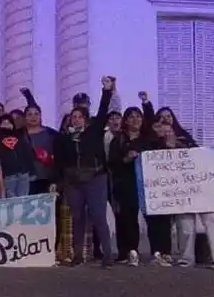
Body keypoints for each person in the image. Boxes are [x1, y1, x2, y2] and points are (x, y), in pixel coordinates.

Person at [54, 76, 114, 267]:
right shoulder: (65, 138)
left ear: (86, 119)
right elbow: (60, 161)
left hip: (95, 177)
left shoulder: (94, 130)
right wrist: (60, 181)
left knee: (98, 215)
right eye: (74, 117)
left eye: (80, 116)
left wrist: (107, 91)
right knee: (77, 217)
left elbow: (104, 110)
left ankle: (108, 254)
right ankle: (77, 255)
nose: (76, 119)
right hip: (73, 180)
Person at [153, 122, 214, 270]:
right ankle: (186, 258)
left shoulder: (187, 142)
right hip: (179, 191)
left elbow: (203, 157)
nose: (166, 131)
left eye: (169, 128)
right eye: (162, 127)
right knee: (185, 223)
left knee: (212, 218)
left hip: (201, 188)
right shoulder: (155, 148)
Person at [107, 91, 155, 266]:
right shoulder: (118, 140)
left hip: (148, 184)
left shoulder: (148, 139)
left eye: (138, 117)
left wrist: (145, 102)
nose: (136, 120)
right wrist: (125, 159)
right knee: (125, 218)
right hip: (125, 183)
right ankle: (125, 252)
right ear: (125, 121)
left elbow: (152, 119)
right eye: (131, 117)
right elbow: (111, 161)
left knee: (152, 219)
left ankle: (155, 251)